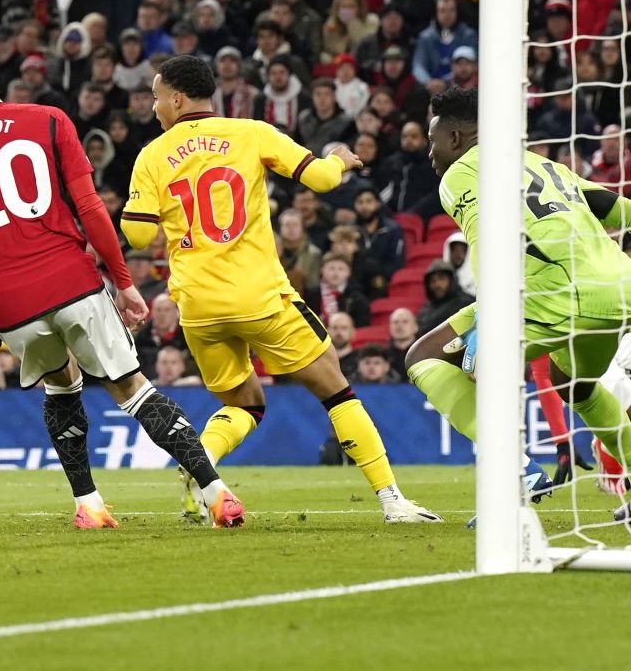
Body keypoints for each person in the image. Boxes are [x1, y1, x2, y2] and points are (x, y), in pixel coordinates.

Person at [0, 32, 240, 529]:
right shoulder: (49, 120)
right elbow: (90, 208)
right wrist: (123, 282)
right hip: (70, 281)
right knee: (132, 388)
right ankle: (217, 493)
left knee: (61, 386)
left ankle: (88, 504)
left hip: (9, 304)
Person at [123, 54, 440, 523]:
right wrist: (339, 159)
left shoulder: (152, 156)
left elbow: (137, 236)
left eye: (156, 97)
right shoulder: (252, 132)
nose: (153, 107)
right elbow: (322, 180)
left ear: (177, 98)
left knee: (244, 403)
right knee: (336, 391)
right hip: (258, 296)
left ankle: (200, 462)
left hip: (197, 305)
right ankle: (393, 502)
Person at [408, 87, 631, 513]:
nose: (430, 152)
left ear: (455, 137)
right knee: (575, 385)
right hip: (619, 290)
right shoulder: (542, 164)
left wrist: (490, 319)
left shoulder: (459, 174)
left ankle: (516, 472)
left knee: (424, 357)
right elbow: (612, 205)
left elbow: (489, 239)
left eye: (432, 140)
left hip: (553, 294)